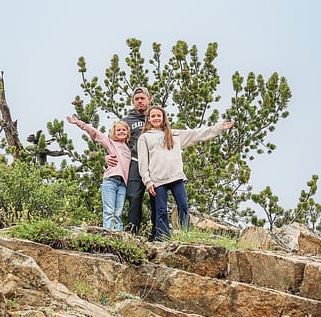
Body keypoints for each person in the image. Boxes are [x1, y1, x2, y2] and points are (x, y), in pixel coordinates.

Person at [136, 105, 233, 241]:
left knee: (183, 206)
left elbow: (197, 134)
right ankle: (162, 238)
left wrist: (219, 128)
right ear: (149, 119)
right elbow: (143, 162)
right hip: (158, 180)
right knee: (161, 210)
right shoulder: (145, 138)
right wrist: (148, 181)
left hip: (176, 177)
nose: (156, 118)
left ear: (163, 118)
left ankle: (185, 235)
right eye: (153, 116)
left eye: (159, 115)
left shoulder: (175, 134)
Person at [66, 115, 132, 230]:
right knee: (109, 210)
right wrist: (79, 123)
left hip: (123, 184)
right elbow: (96, 133)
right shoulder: (111, 143)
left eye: (124, 130)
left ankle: (119, 235)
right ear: (114, 133)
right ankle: (108, 234)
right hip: (111, 180)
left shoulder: (129, 148)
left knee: (118, 212)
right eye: (118, 130)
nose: (121, 131)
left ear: (127, 132)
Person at [115, 86, 157, 237]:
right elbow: (115, 141)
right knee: (134, 197)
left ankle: (158, 234)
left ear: (149, 99)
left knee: (157, 198)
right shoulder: (127, 121)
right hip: (135, 161)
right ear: (133, 101)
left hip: (154, 163)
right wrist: (108, 156)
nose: (140, 101)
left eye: (142, 98)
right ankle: (133, 232)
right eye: (137, 99)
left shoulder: (155, 117)